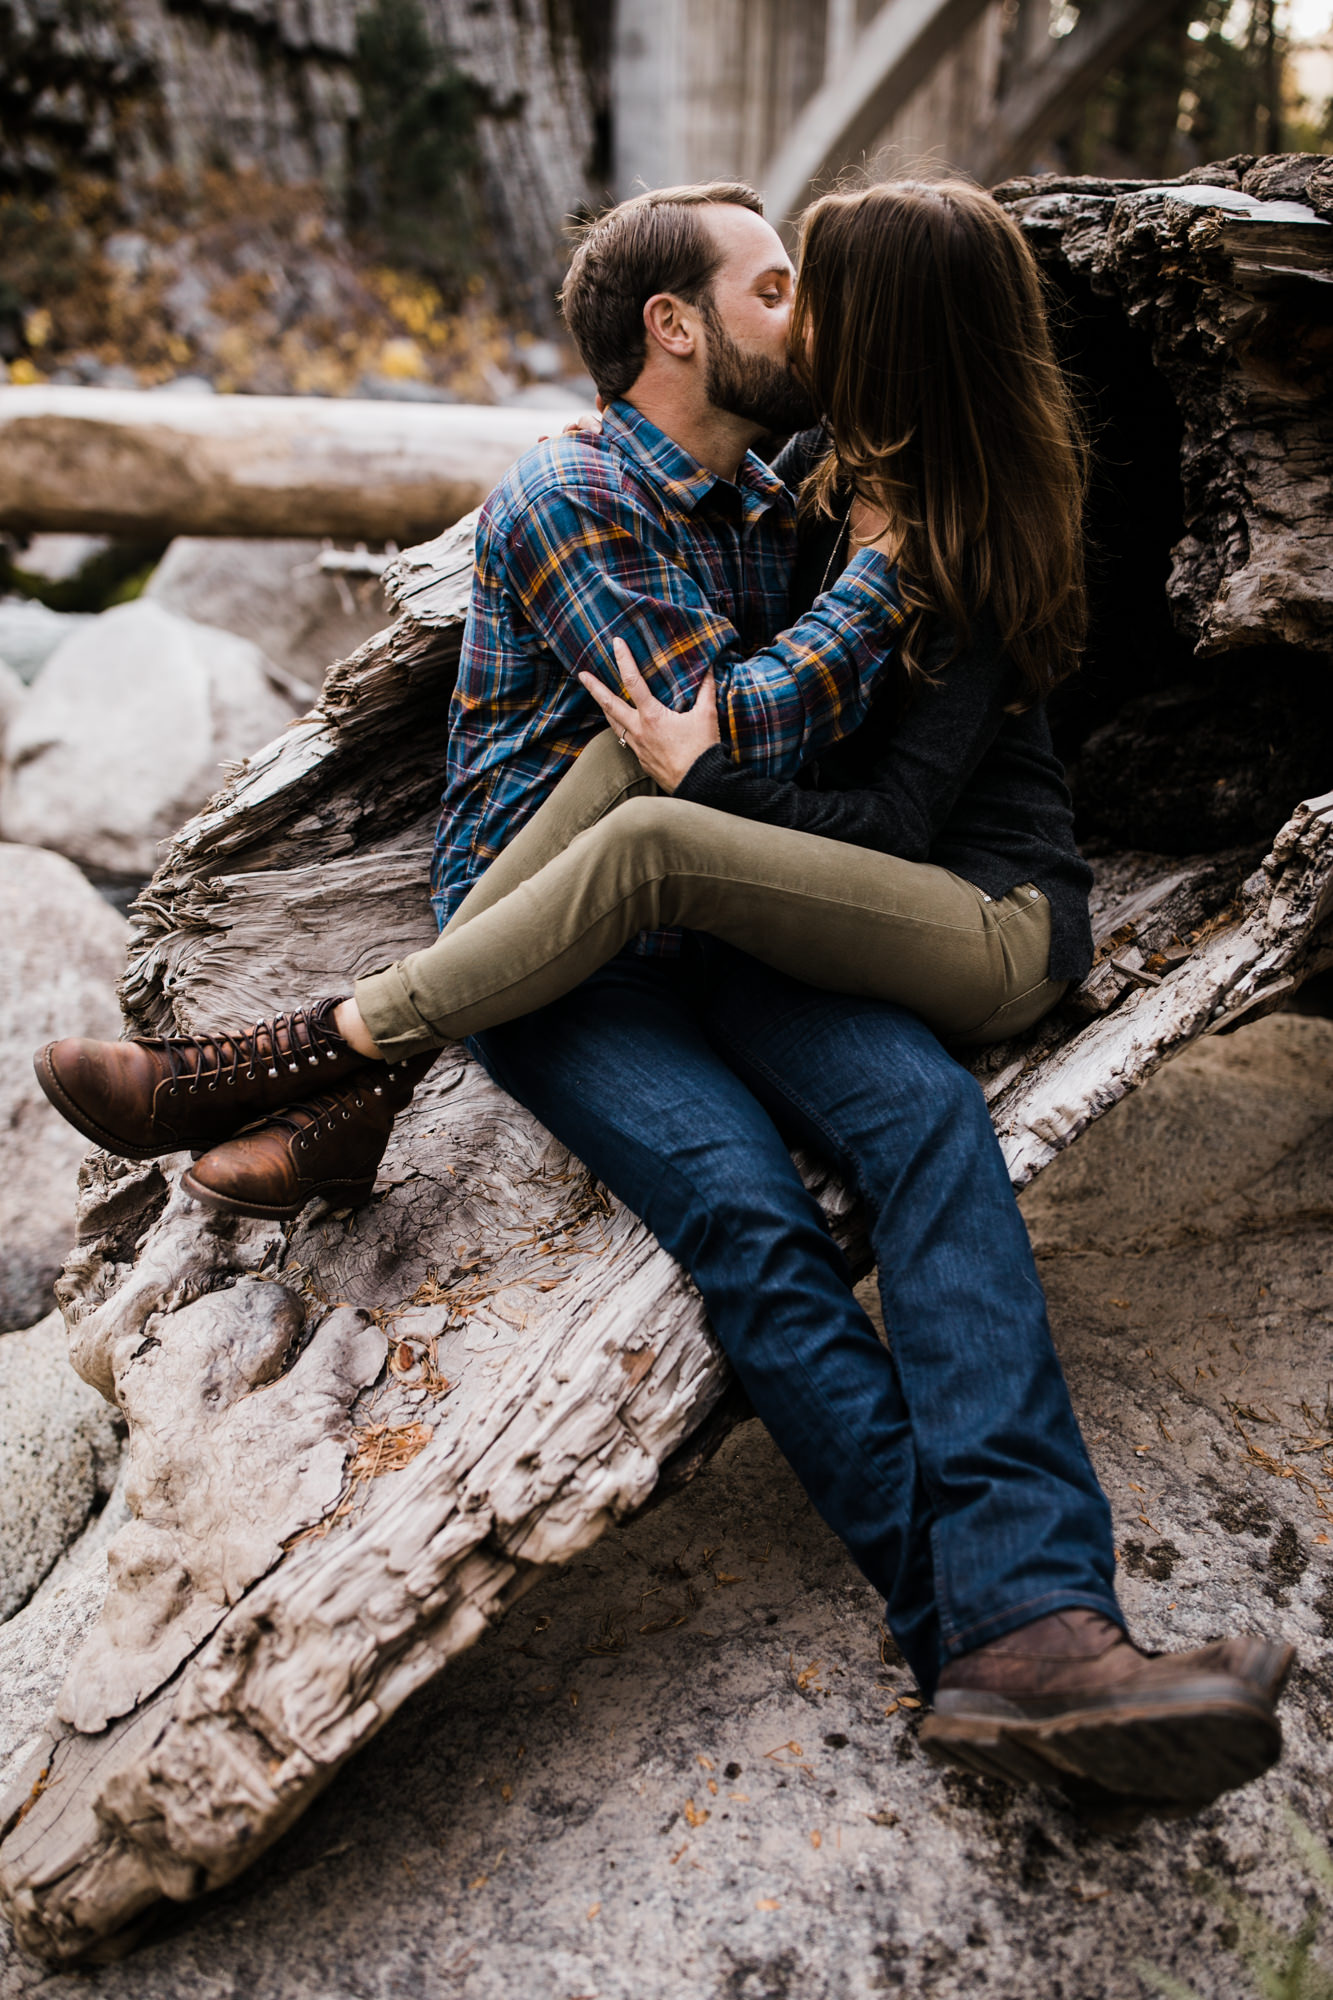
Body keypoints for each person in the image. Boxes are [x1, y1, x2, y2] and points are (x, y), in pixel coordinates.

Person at [35, 180, 1292, 1810]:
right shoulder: (584, 493)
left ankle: (1042, 1615)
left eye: (816, 292)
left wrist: (866, 585)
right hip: (566, 954)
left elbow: (765, 778)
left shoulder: (806, 500)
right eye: (780, 289)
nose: (806, 321)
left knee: (922, 1121)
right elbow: (700, 752)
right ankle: (984, 1640)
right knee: (744, 1214)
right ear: (678, 327)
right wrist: (856, 603)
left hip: (738, 916)